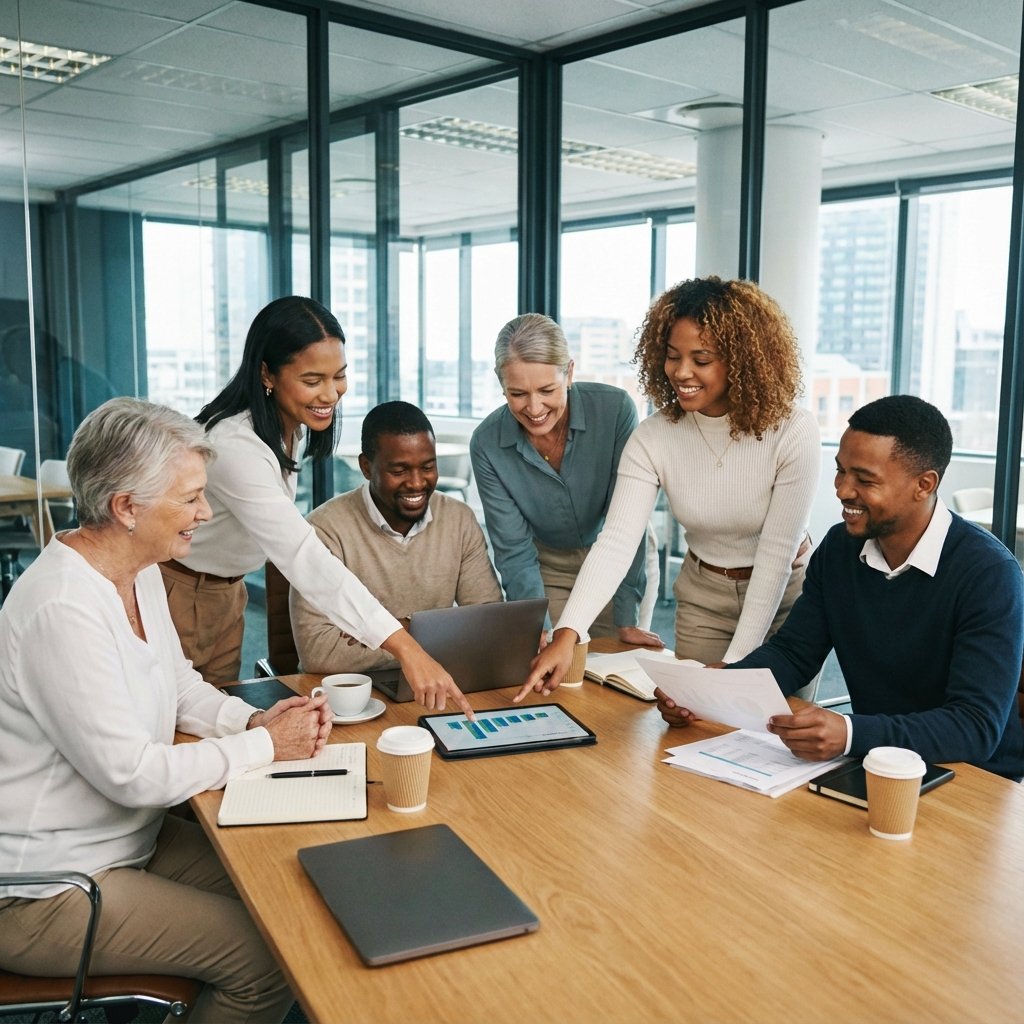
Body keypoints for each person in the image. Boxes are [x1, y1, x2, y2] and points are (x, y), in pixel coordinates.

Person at [0, 398, 334, 1023]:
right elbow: (133, 775)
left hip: (125, 842)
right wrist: (267, 747)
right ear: (127, 508)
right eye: (190, 499)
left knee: (287, 886)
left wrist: (253, 722)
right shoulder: (62, 608)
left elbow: (180, 685)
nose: (206, 513)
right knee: (269, 958)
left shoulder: (138, 568)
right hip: (47, 888)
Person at [659, 395, 1024, 780]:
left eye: (865, 479)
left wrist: (850, 733)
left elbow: (975, 727)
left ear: (924, 484)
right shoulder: (839, 548)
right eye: (841, 471)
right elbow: (795, 652)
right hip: (875, 760)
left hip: (974, 776)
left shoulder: (989, 574)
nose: (843, 490)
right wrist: (713, 690)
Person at [160, 295, 473, 716]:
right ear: (267, 373)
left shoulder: (291, 427)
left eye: (339, 376)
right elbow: (303, 557)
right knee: (171, 725)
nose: (331, 394)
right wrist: (405, 646)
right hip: (175, 591)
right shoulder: (236, 445)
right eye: (312, 380)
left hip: (225, 593)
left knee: (212, 722)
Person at [520, 276, 820, 699]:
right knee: (698, 723)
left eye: (702, 359)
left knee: (778, 734)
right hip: (704, 596)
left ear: (742, 360)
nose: (682, 372)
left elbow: (775, 553)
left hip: (788, 594)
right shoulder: (654, 436)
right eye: (673, 356)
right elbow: (618, 541)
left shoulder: (794, 430)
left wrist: (736, 666)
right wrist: (568, 632)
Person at [470, 313, 661, 647]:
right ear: (501, 383)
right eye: (517, 394)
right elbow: (514, 551)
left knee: (614, 663)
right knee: (561, 667)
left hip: (619, 555)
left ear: (569, 372)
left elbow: (626, 531)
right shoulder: (487, 444)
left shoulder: (615, 411)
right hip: (548, 567)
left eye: (547, 390)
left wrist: (625, 618)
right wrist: (538, 627)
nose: (534, 408)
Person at [291, 401, 502, 673]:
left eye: (427, 467)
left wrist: (392, 630)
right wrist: (429, 635)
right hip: (348, 693)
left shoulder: (458, 519)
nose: (416, 482)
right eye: (399, 471)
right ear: (366, 467)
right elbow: (318, 651)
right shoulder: (324, 530)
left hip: (434, 683)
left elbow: (488, 626)